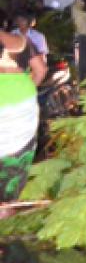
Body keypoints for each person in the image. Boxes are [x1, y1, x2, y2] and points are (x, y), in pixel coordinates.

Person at [0, 30, 47, 219]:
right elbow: (41, 70)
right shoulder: (20, 41)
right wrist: (24, 91)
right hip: (23, 103)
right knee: (10, 182)